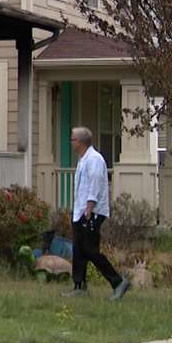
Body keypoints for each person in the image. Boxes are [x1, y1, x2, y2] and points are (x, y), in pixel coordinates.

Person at [63, 127, 130, 300]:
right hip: (80, 211)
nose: (71, 142)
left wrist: (89, 208)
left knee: (91, 250)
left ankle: (118, 282)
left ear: (80, 142)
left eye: (73, 139)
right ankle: (80, 286)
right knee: (78, 249)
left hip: (91, 212)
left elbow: (95, 185)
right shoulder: (83, 159)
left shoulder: (94, 159)